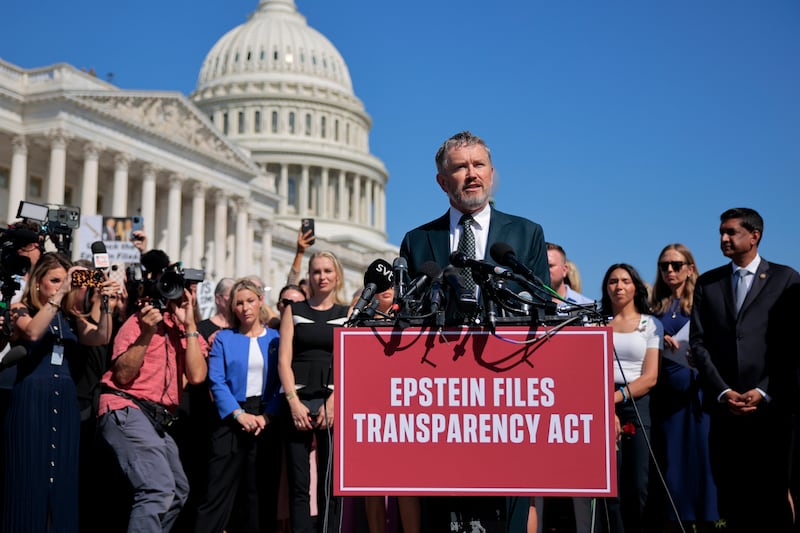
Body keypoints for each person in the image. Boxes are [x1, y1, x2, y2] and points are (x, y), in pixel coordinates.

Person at [399, 130, 550, 532]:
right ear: (442, 180)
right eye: (460, 167)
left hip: (505, 393)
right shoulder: (417, 241)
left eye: (478, 165)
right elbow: (409, 316)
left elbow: (542, 308)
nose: (471, 174)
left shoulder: (525, 234)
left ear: (492, 172)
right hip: (440, 400)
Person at [690, 207, 800, 533]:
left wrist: (764, 390)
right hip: (725, 411)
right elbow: (699, 343)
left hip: (771, 411)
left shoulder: (786, 279)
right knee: (733, 496)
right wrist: (724, 391)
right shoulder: (708, 283)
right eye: (721, 232)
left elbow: (792, 348)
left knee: (771, 497)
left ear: (754, 236)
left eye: (731, 232)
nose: (723, 238)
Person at [3, 252, 117, 532]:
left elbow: (101, 336)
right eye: (54, 280)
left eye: (64, 280)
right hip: (32, 398)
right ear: (38, 283)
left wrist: (106, 303)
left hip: (64, 400)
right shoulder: (21, 309)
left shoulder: (71, 317)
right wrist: (64, 290)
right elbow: (31, 333)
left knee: (61, 477)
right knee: (30, 474)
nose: (60, 285)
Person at [97, 249, 208, 533]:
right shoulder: (139, 322)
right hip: (126, 406)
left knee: (178, 491)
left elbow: (196, 376)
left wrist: (190, 325)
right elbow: (122, 375)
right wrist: (147, 333)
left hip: (156, 420)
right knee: (157, 489)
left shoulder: (186, 330)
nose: (176, 295)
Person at [195, 278, 282, 533]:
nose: (245, 308)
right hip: (231, 417)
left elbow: (281, 381)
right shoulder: (223, 338)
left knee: (259, 492)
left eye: (250, 301)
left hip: (266, 418)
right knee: (217, 489)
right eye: (239, 303)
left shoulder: (276, 339)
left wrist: (268, 416)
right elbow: (217, 380)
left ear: (260, 302)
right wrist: (238, 414)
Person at [647, 244, 718, 532]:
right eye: (664, 265)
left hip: (698, 391)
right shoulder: (653, 308)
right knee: (671, 464)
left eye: (676, 264)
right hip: (665, 393)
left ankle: (708, 520)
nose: (670, 271)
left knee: (701, 461)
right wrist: (656, 339)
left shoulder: (704, 303)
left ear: (690, 268)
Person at [278, 250, 349, 533]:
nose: (322, 277)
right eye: (317, 271)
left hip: (331, 402)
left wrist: (334, 400)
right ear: (309, 275)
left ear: (337, 276)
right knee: (299, 485)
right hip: (297, 401)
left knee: (329, 484)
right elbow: (284, 360)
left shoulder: (346, 314)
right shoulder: (293, 311)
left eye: (327, 271)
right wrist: (293, 402)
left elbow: (350, 361)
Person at [599, 263, 662, 533]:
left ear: (636, 286)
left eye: (625, 280)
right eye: (613, 281)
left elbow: (651, 377)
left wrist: (616, 397)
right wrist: (605, 403)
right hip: (599, 401)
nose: (619, 286)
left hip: (637, 402)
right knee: (609, 485)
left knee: (638, 482)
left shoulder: (651, 324)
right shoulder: (596, 322)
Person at [547, 242, 594, 308]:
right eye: (540, 266)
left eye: (550, 266)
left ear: (564, 270)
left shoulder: (587, 306)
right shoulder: (528, 305)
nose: (544, 270)